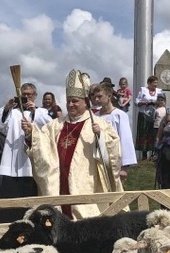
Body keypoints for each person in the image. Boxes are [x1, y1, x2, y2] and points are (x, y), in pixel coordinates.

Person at [27, 69, 123, 219]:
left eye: (75, 101)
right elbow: (40, 143)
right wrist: (30, 133)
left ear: (85, 103)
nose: (70, 104)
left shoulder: (99, 124)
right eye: (68, 101)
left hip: (86, 186)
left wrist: (101, 137)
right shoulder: (55, 125)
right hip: (58, 182)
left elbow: (113, 153)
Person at [0, 82, 51, 223]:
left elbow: (49, 125)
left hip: (31, 163)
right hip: (12, 161)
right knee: (9, 199)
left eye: (29, 94)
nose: (26, 97)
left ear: (35, 96)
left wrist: (33, 112)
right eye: (23, 95)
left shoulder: (41, 112)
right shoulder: (13, 113)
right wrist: (7, 107)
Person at [91, 82, 137, 181]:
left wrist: (124, 167)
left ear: (109, 96)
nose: (96, 99)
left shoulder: (119, 115)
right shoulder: (95, 116)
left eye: (99, 96)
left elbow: (125, 140)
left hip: (114, 160)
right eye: (95, 97)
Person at [135, 75, 162, 160]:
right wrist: (143, 102)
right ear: (149, 83)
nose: (156, 84)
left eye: (156, 83)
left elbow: (162, 101)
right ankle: (144, 154)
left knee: (154, 132)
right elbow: (137, 101)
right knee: (144, 133)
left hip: (154, 114)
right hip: (144, 114)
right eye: (154, 83)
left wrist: (156, 103)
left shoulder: (159, 91)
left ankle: (153, 153)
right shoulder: (143, 90)